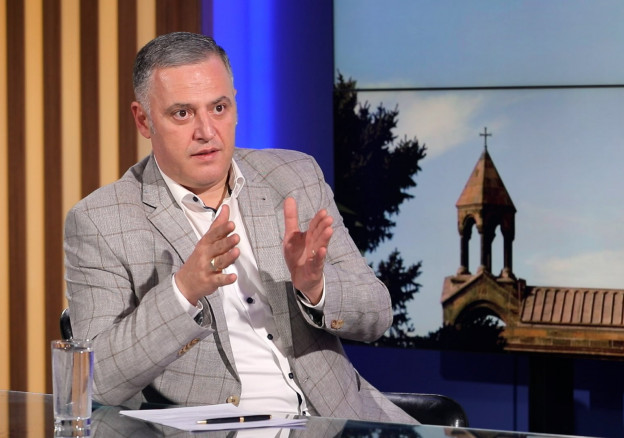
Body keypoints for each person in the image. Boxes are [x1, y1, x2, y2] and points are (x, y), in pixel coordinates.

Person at [64, 31, 416, 424]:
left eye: (218, 107)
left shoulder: (294, 175)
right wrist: (183, 291)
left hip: (341, 418)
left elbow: (377, 315)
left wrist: (316, 288)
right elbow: (94, 381)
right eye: (182, 114)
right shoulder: (101, 220)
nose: (206, 131)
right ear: (143, 120)